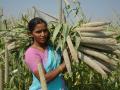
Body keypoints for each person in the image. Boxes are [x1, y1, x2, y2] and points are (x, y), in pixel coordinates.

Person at [24, 17, 67, 90]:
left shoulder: (54, 49)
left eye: (45, 30)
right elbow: (44, 79)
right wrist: (63, 65)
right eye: (38, 32)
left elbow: (64, 70)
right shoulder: (31, 53)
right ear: (30, 34)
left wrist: (69, 56)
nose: (43, 34)